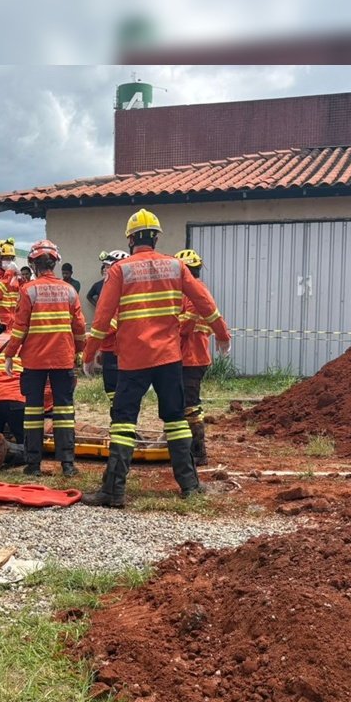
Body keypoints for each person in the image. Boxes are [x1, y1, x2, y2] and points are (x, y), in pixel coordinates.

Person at [81, 209, 230, 508]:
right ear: (157, 236)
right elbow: (204, 301)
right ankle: (189, 485)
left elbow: (103, 316)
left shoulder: (119, 270)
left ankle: (113, 491)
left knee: (123, 421)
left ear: (131, 238)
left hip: (133, 360)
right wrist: (222, 334)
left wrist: (89, 353)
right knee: (175, 419)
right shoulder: (176, 266)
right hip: (169, 358)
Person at [3, 239, 85, 477]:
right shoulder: (69, 290)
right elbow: (79, 326)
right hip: (62, 359)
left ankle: (33, 465)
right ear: (55, 263)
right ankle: (67, 465)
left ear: (34, 264)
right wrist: (78, 350)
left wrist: (10, 354)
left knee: (33, 412)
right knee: (64, 412)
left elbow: (19, 328)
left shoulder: (28, 290)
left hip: (34, 362)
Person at [175, 249, 228, 466]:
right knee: (185, 403)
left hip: (190, 357)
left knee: (189, 405)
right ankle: (188, 448)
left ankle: (197, 452)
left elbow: (185, 325)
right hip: (194, 356)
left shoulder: (189, 293)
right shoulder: (200, 291)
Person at [95, 250, 128, 404]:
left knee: (116, 390)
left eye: (108, 267)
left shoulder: (120, 292)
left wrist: (92, 338)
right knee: (114, 391)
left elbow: (110, 324)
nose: (105, 271)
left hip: (117, 350)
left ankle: (119, 419)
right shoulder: (115, 289)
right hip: (110, 349)